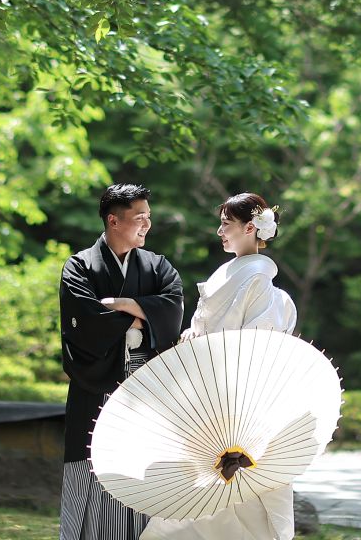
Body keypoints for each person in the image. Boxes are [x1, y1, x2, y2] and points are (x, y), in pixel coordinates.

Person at [143, 192, 298, 540]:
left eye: (226, 224)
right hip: (206, 389)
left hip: (237, 398)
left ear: (249, 227)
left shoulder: (258, 281)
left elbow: (256, 349)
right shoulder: (229, 273)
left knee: (238, 494)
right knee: (197, 486)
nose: (219, 231)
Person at [61, 183, 185, 540]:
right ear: (113, 220)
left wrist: (119, 305)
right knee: (91, 464)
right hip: (96, 380)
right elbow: (85, 320)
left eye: (149, 217)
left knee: (141, 464)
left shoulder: (158, 266)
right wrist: (144, 311)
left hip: (146, 382)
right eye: (139, 218)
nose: (146, 225)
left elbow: (173, 309)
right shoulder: (80, 266)